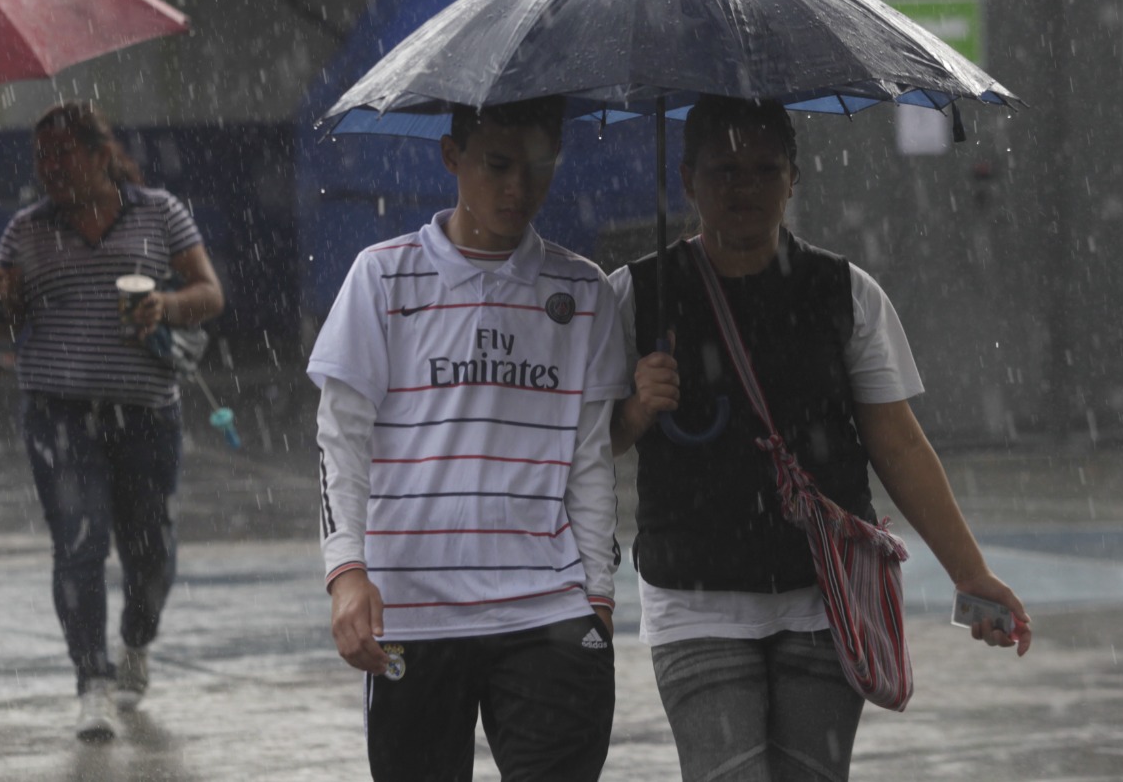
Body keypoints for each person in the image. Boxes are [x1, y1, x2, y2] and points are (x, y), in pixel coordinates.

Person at [610, 95, 1031, 782]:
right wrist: (633, 412)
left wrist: (970, 574)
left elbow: (897, 444)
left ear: (794, 179)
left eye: (764, 169)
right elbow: (588, 443)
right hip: (695, 597)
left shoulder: (844, 293)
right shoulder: (636, 296)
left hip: (825, 594)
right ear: (686, 179)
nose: (743, 187)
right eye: (723, 170)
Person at [309, 96, 628, 782]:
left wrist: (596, 599)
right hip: (412, 617)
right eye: (498, 164)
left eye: (538, 166)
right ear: (451, 158)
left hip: (550, 611)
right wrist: (347, 573)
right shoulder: (382, 278)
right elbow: (341, 440)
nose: (519, 188)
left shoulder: (584, 293)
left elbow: (590, 461)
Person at [0, 100, 225, 741]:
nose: (49, 168)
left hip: (147, 412)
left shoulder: (159, 212)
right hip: (57, 413)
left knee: (151, 557)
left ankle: (135, 641)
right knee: (79, 546)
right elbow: (0, 322)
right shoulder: (24, 230)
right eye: (41, 158)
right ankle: (91, 681)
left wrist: (166, 304)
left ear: (98, 154)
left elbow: (210, 294)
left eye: (62, 154)